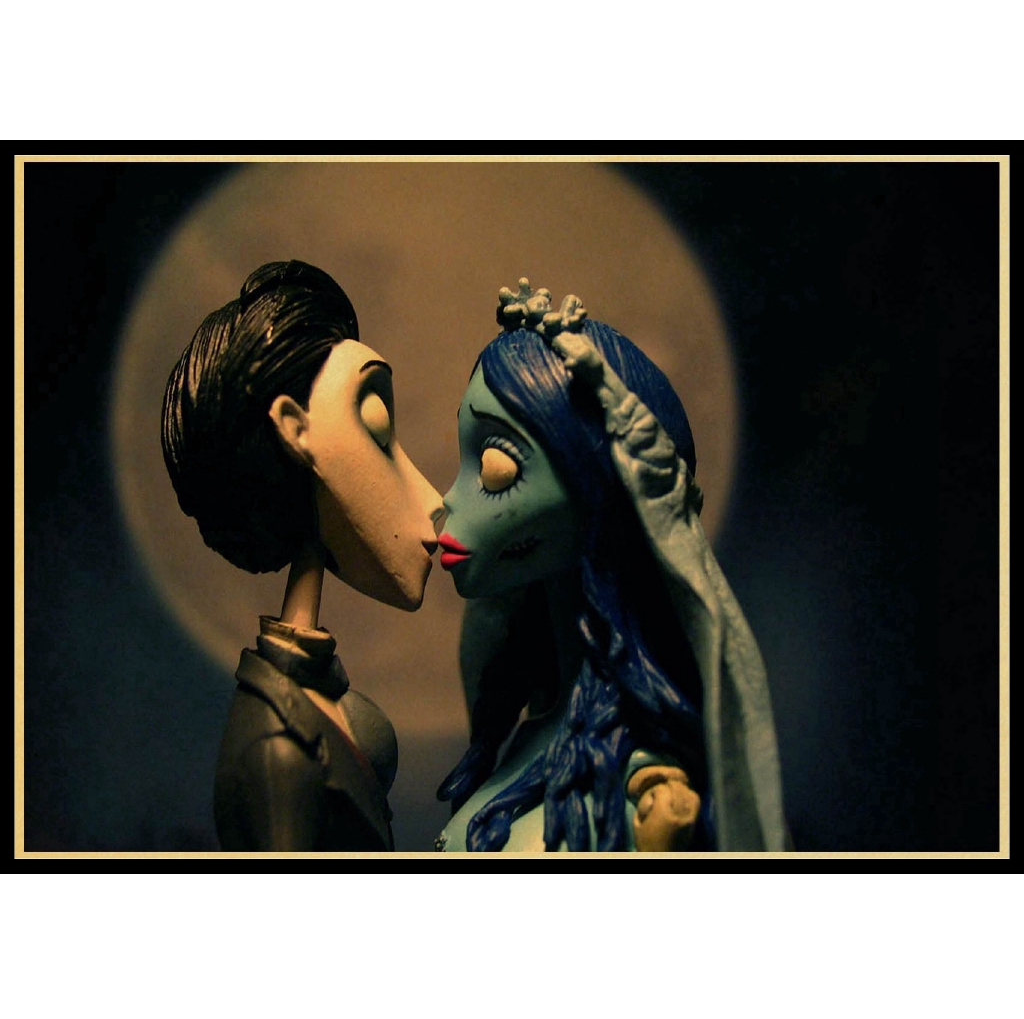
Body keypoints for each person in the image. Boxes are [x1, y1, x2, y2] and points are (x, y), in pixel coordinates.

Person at [435, 280, 785, 852]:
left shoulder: (652, 797)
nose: (447, 499)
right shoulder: (534, 734)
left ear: (601, 490)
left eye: (497, 467)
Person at [161, 260, 443, 851]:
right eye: (376, 424)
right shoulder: (276, 753)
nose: (434, 501)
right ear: (295, 429)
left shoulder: (317, 697)